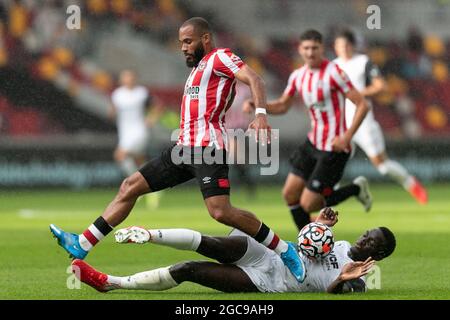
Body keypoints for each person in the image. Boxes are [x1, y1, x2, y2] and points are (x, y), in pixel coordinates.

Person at [50, 17, 306, 282]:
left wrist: (261, 114)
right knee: (130, 186)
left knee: (220, 211)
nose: (183, 47)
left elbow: (255, 79)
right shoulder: (196, 70)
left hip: (208, 148)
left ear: (205, 39)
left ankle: (284, 249)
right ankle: (83, 243)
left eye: (188, 41)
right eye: (181, 42)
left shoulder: (221, 58)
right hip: (183, 149)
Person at [70, 207, 395, 294]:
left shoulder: (359, 280)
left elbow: (337, 292)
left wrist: (342, 280)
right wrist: (321, 222)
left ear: (377, 255)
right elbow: (308, 242)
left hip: (270, 281)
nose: (365, 239)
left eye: (373, 242)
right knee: (215, 243)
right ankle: (150, 234)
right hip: (273, 254)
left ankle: (110, 283)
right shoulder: (336, 241)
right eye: (368, 233)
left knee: (188, 270)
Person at [244, 29, 371, 231]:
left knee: (309, 204)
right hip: (313, 143)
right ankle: (308, 244)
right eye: (306, 48)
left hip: (334, 147)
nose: (310, 53)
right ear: (300, 49)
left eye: (315, 48)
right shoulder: (298, 76)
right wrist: (258, 105)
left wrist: (346, 137)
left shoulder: (335, 73)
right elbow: (284, 105)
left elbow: (363, 104)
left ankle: (356, 188)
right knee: (290, 195)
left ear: (322, 49)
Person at [333, 29, 428, 204]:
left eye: (346, 45)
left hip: (363, 122)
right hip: (341, 123)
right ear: (335, 47)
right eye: (340, 45)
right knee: (332, 162)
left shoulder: (363, 62)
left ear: (353, 46)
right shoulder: (332, 66)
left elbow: (381, 86)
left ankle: (411, 183)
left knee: (383, 166)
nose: (343, 49)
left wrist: (356, 93)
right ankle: (323, 202)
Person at [109, 69, 162, 178]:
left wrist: (151, 118)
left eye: (130, 76)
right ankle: (152, 183)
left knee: (120, 155)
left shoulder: (141, 93)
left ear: (135, 78)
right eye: (125, 76)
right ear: (121, 79)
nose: (128, 79)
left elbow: (157, 106)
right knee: (138, 159)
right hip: (125, 132)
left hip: (139, 130)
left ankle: (136, 183)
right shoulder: (117, 94)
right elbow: (112, 111)